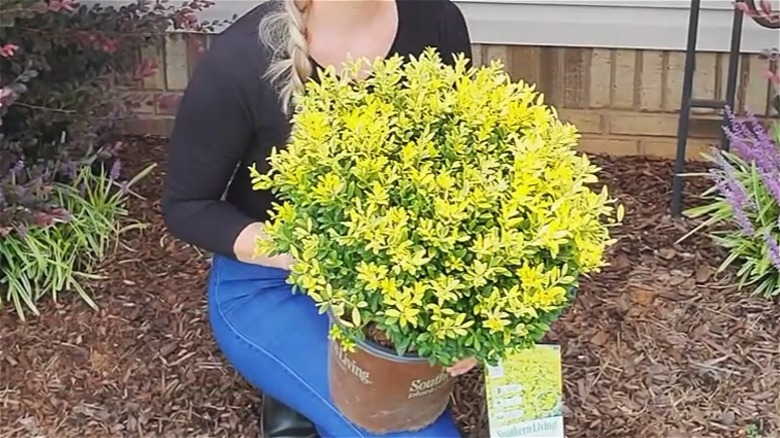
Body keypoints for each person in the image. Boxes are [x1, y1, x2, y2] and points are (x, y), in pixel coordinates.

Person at [161, 0, 477, 436]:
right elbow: (187, 206)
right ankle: (293, 381)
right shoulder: (241, 59)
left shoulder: (436, 20)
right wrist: (315, 256)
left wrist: (468, 310)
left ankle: (302, 397)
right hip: (270, 283)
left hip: (397, 270)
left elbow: (457, 162)